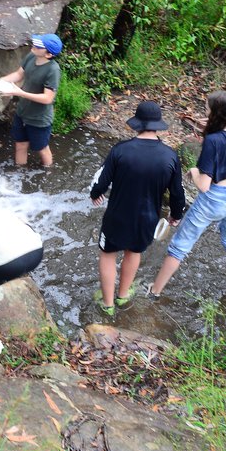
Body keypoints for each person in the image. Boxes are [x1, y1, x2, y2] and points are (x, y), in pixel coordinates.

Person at [148, 90, 226, 298]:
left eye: (207, 109)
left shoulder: (213, 141)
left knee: (180, 245)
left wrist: (193, 172)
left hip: (213, 199)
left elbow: (204, 185)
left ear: (216, 114)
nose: (205, 112)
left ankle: (154, 291)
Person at [90, 100, 186, 314]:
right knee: (133, 252)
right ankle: (123, 296)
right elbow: (178, 192)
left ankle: (107, 305)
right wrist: (175, 215)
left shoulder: (120, 150)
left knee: (108, 254)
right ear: (157, 126)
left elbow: (101, 180)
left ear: (137, 124)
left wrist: (96, 194)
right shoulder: (170, 156)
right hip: (147, 219)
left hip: (117, 216)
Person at [0, 34, 62, 167]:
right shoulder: (32, 56)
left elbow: (48, 98)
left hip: (39, 119)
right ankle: (19, 175)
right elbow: (19, 74)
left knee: (41, 148)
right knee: (20, 144)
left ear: (48, 54)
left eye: (39, 45)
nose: (34, 45)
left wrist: (21, 93)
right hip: (22, 112)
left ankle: (47, 173)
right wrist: (0, 81)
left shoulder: (53, 70)